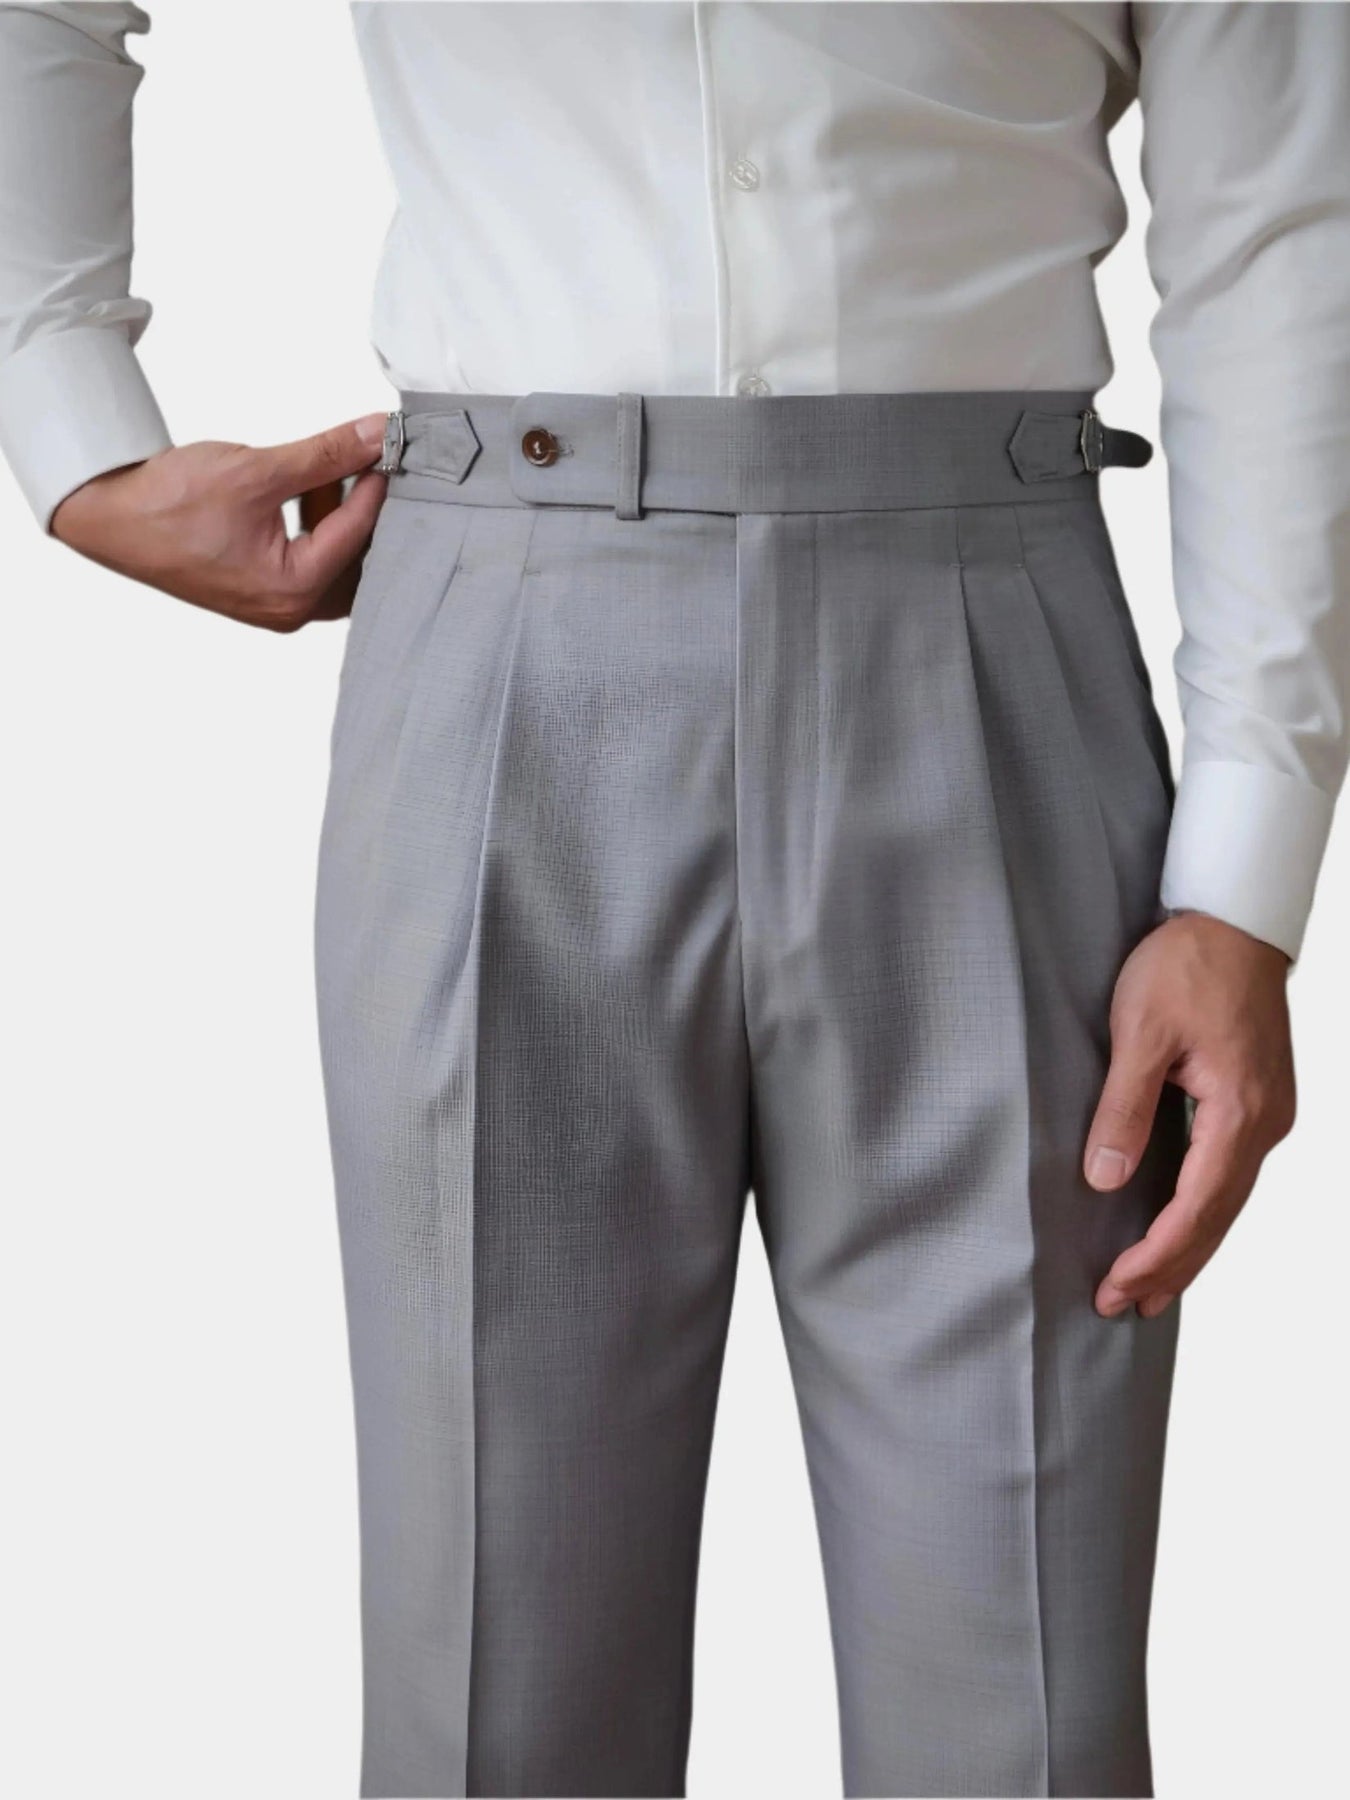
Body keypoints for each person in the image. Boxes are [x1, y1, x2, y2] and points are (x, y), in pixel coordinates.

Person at [1, 4, 1346, 1796]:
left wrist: (1244, 875)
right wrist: (70, 422)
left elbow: (1275, 232)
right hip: (502, 662)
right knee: (495, 1681)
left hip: (988, 652)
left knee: (1019, 1698)